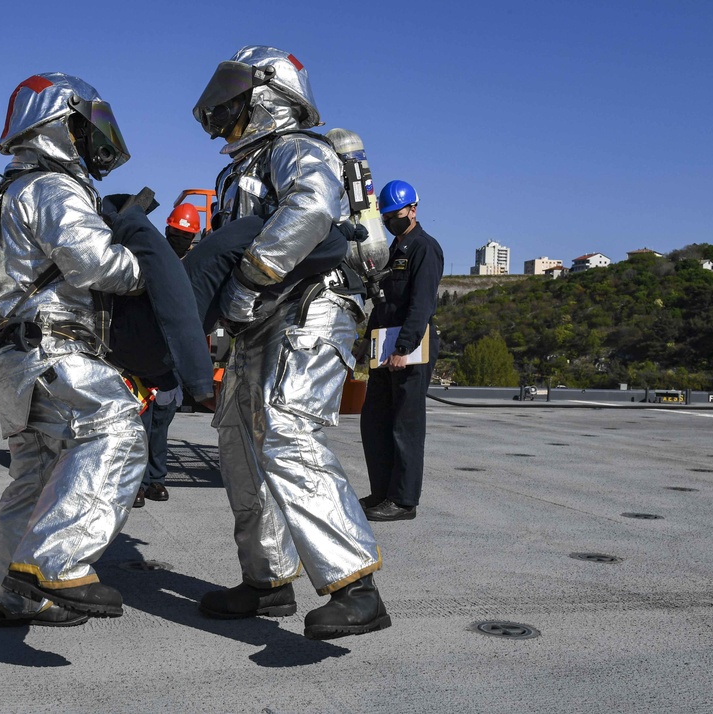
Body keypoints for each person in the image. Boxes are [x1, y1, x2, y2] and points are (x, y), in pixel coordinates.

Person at [190, 46, 390, 640]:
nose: (221, 99)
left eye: (234, 87)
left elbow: (310, 209)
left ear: (269, 94)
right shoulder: (241, 168)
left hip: (311, 307)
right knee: (237, 442)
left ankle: (357, 588)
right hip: (258, 316)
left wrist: (248, 281)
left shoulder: (299, 149)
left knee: (285, 431)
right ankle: (268, 580)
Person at [0, 72, 147, 626]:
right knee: (117, 426)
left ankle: (11, 595)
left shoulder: (14, 188)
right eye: (85, 126)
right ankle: (59, 561)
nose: (94, 138)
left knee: (32, 479)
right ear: (58, 126)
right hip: (53, 348)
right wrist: (149, 269)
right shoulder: (53, 187)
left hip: (13, 359)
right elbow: (94, 262)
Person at [357, 180, 444, 522]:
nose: (392, 220)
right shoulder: (390, 251)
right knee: (375, 421)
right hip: (384, 343)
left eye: (397, 214)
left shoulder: (424, 247)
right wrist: (366, 338)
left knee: (405, 425)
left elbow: (421, 305)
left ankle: (404, 501)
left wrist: (404, 347)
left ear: (413, 210)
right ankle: (382, 493)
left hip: (411, 345)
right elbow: (382, 303)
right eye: (388, 216)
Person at [133, 203, 202, 508]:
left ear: (193, 238)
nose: (179, 239)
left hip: (171, 359)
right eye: (176, 233)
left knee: (161, 424)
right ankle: (136, 482)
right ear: (167, 230)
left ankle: (155, 479)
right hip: (145, 352)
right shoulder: (153, 258)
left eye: (185, 235)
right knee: (140, 424)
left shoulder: (194, 267)